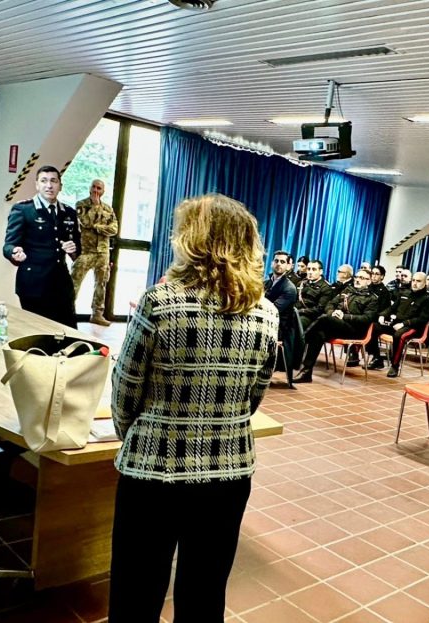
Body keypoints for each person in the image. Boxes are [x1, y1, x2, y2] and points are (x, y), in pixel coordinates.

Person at [108, 193, 279, 623]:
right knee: (205, 593)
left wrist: (137, 433)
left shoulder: (158, 303)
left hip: (154, 470)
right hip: (228, 473)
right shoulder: (267, 315)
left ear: (193, 239)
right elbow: (253, 398)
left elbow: (125, 392)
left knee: (135, 590)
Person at [2, 165, 81, 328]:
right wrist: (14, 252)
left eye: (53, 181)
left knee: (69, 332)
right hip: (33, 284)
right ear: (37, 185)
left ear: (60, 185)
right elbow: (9, 245)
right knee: (39, 333)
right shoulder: (24, 210)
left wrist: (73, 250)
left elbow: (77, 248)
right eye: (44, 181)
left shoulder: (69, 213)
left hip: (61, 284)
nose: (49, 185)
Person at [296, 268, 380, 382]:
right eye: (356, 277)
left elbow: (367, 319)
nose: (358, 280)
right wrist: (333, 313)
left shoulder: (372, 299)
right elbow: (330, 304)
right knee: (318, 334)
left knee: (324, 318)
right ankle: (306, 372)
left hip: (355, 330)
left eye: (362, 278)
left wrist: (343, 316)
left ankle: (300, 340)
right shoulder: (347, 291)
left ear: (369, 281)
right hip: (337, 325)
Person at [70, 178, 118, 326]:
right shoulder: (81, 205)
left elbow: (114, 229)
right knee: (74, 282)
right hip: (86, 251)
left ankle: (97, 314)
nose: (96, 190)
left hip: (103, 252)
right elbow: (86, 222)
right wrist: (96, 209)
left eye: (99, 188)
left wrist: (98, 228)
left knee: (101, 284)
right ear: (90, 189)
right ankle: (68, 311)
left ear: (103, 191)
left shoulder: (109, 209)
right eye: (94, 187)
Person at [380, 272, 429, 378]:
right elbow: (392, 308)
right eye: (413, 280)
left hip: (414, 327)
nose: (415, 283)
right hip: (397, 323)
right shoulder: (404, 293)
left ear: (425, 283)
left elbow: (422, 319)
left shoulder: (428, 299)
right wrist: (383, 315)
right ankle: (377, 358)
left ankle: (394, 366)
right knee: (374, 326)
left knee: (399, 335)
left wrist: (404, 323)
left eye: (418, 281)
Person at [264, 250, 299, 388]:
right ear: (272, 263)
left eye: (283, 262)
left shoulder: (289, 288)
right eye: (276, 261)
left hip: (279, 328)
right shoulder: (266, 283)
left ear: (289, 266)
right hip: (266, 322)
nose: (279, 264)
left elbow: (273, 310)